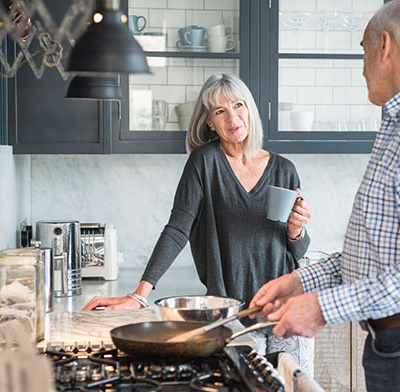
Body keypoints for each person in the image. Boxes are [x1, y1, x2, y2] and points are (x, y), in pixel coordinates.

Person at [249, 0, 400, 390]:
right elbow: (382, 251)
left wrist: (322, 308)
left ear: (384, 46)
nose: (362, 65)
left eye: (362, 49)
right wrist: (301, 281)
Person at [82, 72, 315, 374]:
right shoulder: (204, 163)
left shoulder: (285, 169)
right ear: (209, 122)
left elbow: (295, 251)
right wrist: (140, 295)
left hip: (287, 311)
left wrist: (298, 230)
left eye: (239, 105)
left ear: (250, 109)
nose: (233, 117)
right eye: (220, 111)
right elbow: (178, 229)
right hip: (234, 317)